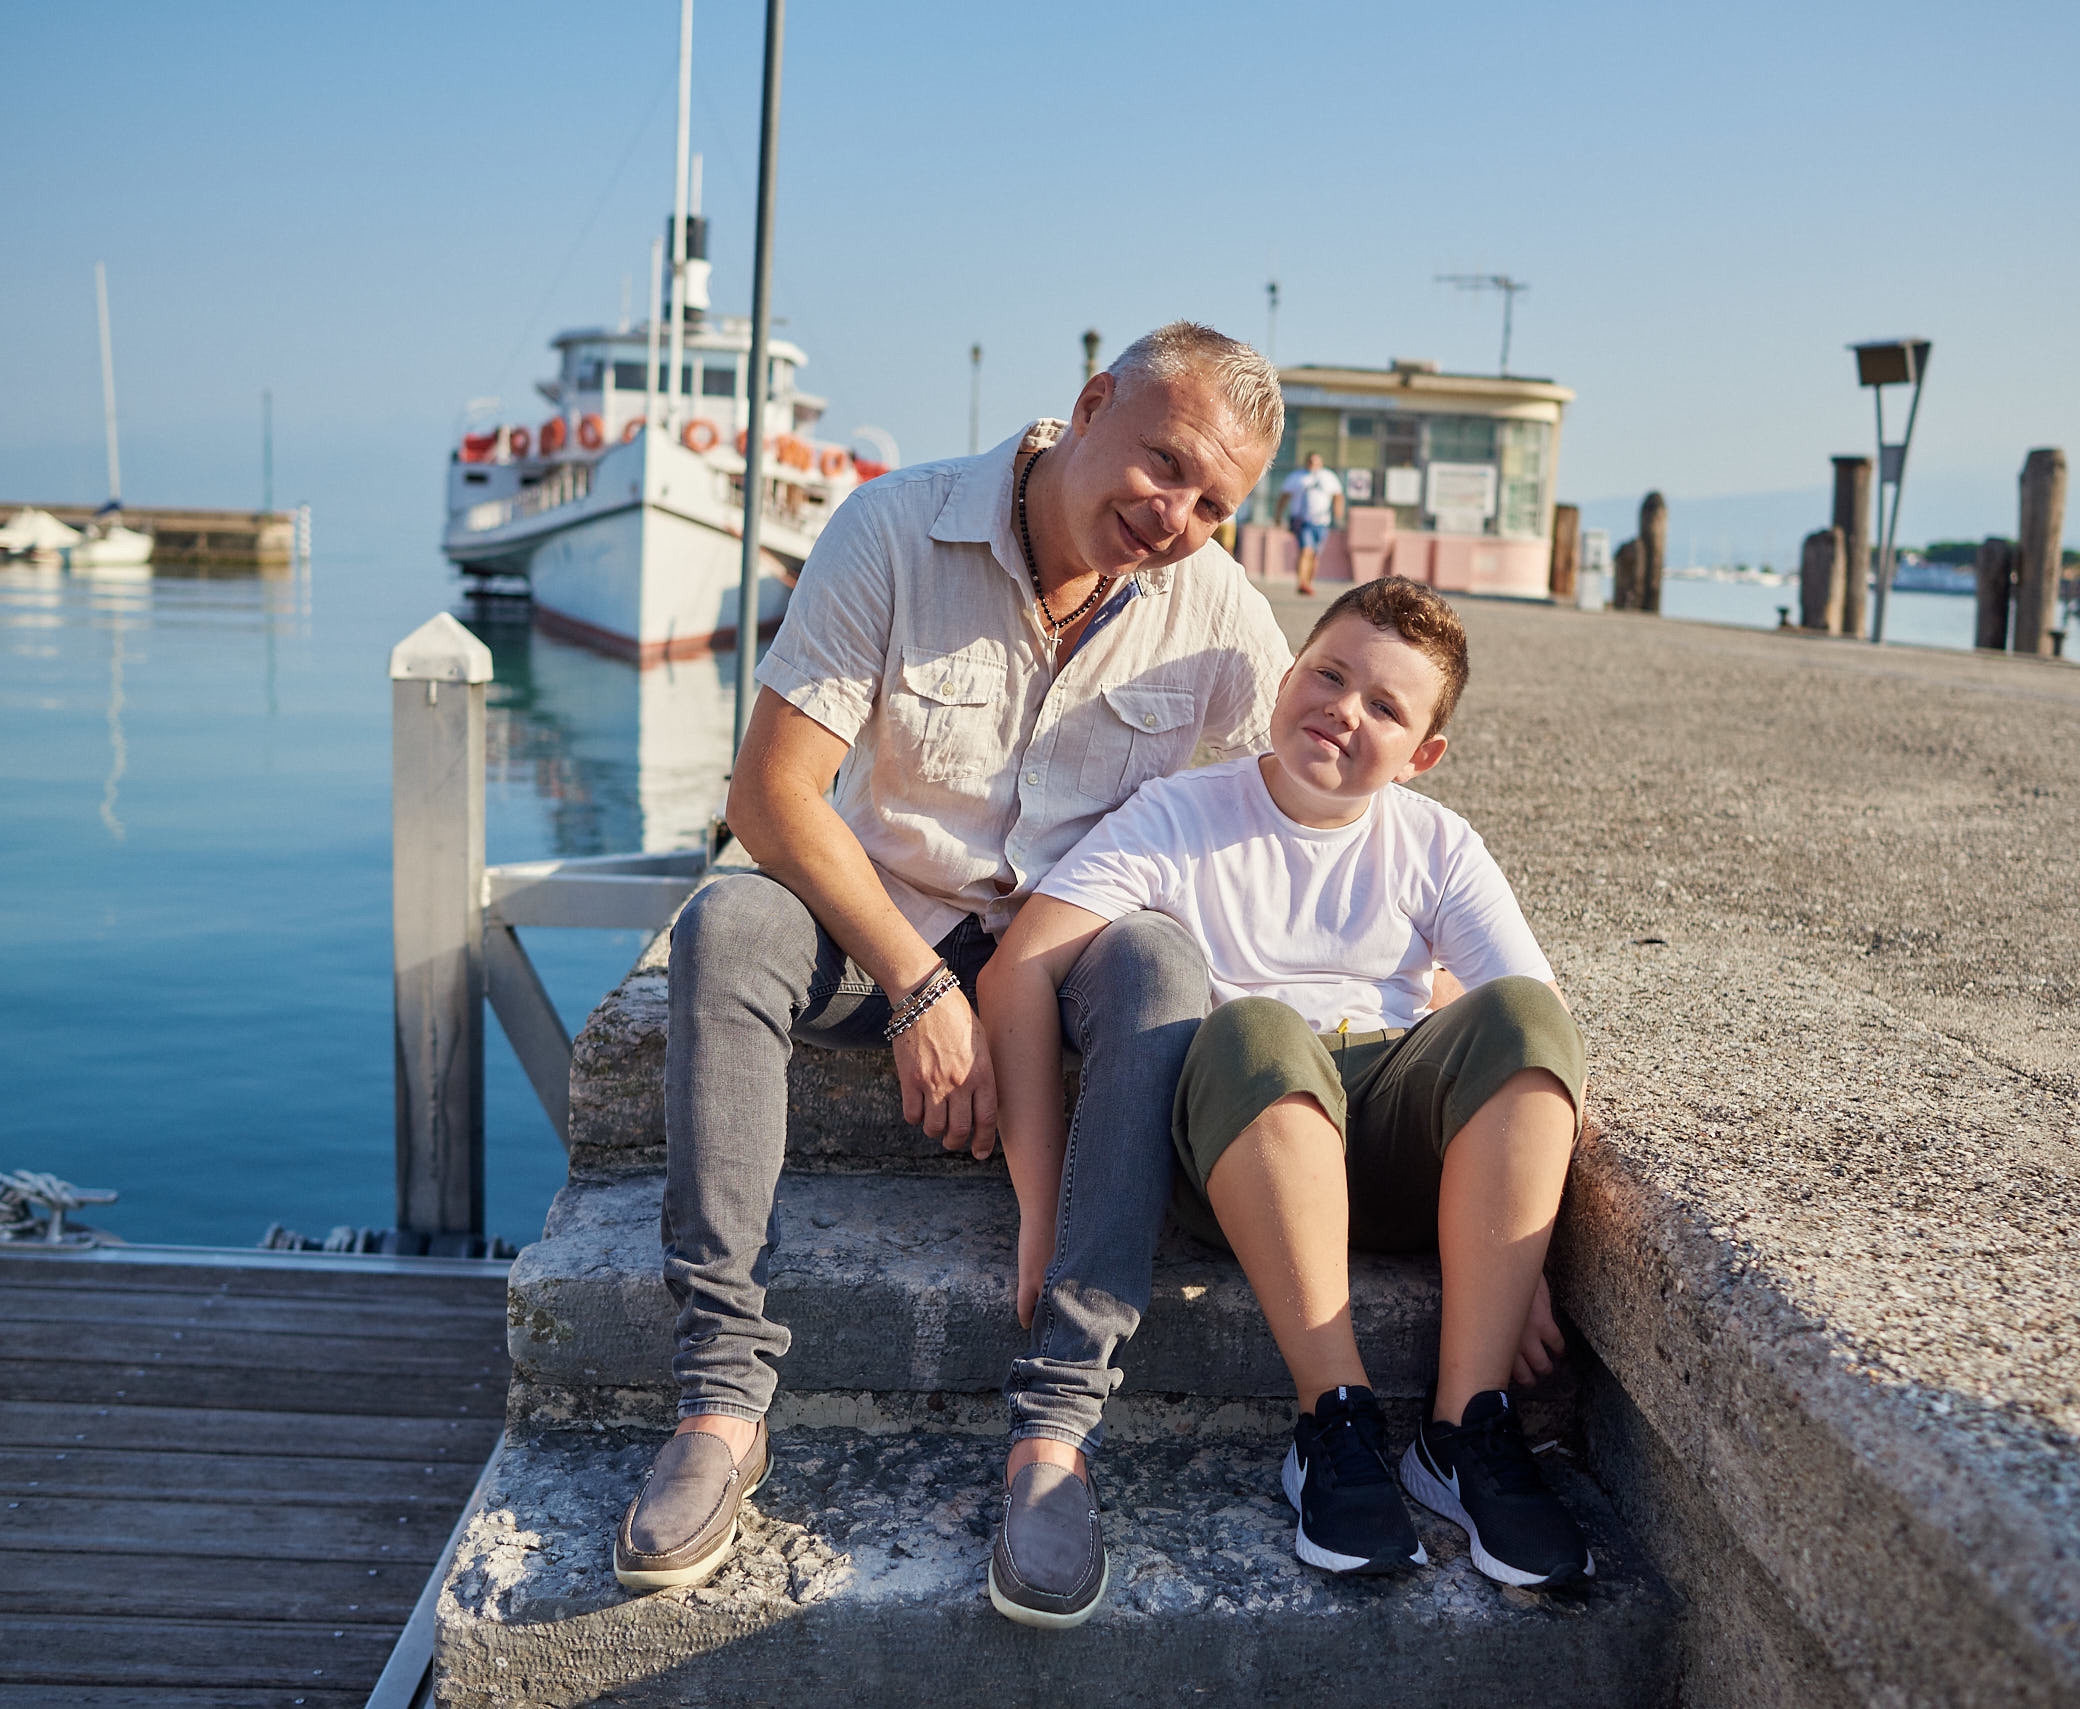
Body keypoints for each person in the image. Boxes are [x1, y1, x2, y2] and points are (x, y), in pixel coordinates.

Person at [611, 324, 1293, 1631]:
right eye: (1164, 464)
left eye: (1216, 502)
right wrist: (923, 984)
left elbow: (1301, 810)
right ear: (1089, 403)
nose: (1180, 515)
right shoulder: (894, 528)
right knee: (729, 932)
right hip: (884, 914)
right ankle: (721, 1401)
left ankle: (1055, 1435)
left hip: (1069, 943)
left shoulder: (1218, 610)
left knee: (1160, 964)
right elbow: (772, 796)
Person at [979, 577, 1593, 1589]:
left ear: (1421, 753)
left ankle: (1461, 1431)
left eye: (1386, 707)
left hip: (1390, 1146)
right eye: (1329, 673)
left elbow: (1526, 1044)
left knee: (1530, 1016)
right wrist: (1042, 1206)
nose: (1344, 710)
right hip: (1244, 1142)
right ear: (1289, 671)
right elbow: (1021, 969)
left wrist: (1512, 1257)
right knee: (1259, 1024)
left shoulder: (1435, 843)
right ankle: (1333, 1419)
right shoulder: (1177, 815)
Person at [1280, 451, 1344, 596]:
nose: (1313, 465)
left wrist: (1338, 514)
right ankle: (1301, 582)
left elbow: (1338, 496)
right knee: (1305, 551)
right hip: (1302, 521)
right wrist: (1279, 516)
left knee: (1314, 555)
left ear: (1321, 463)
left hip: (1322, 522)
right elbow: (1284, 496)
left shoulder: (1328, 477)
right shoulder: (1297, 477)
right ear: (1306, 462)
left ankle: (1308, 582)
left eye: (1316, 462)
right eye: (1310, 462)